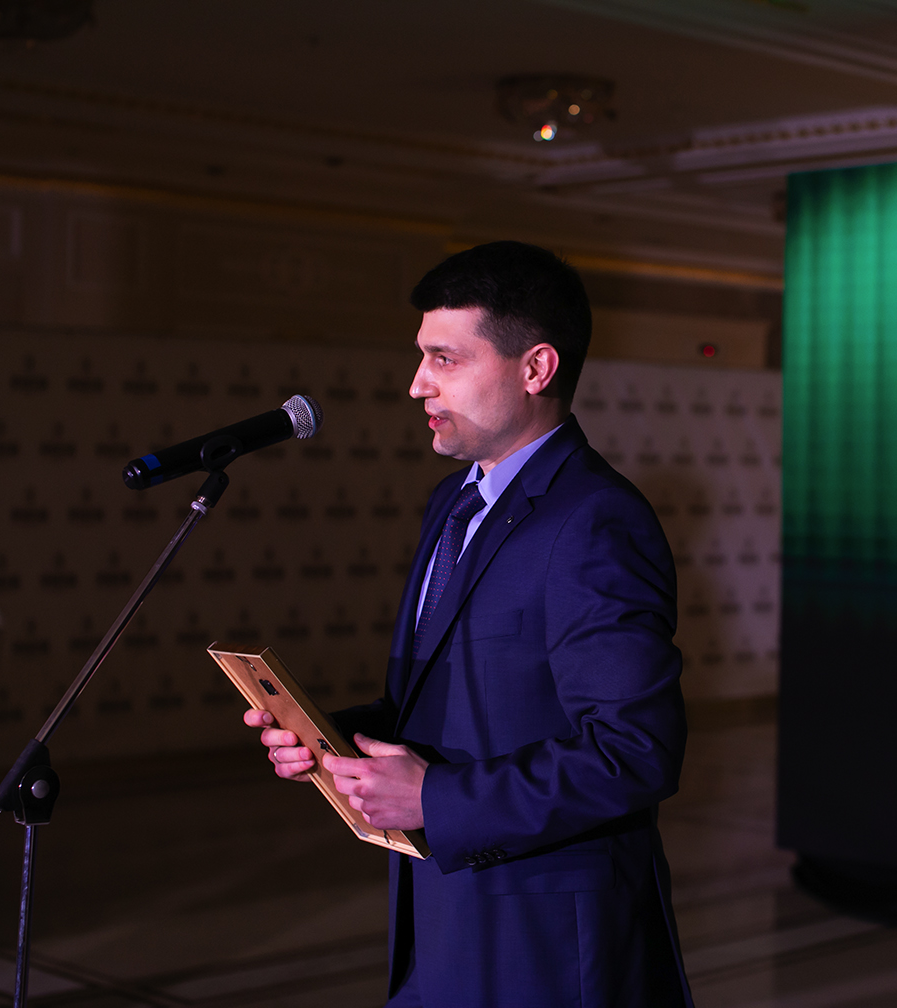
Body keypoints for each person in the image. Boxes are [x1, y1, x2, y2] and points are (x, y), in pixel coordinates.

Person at [244, 241, 693, 1007]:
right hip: (440, 918)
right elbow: (450, 706)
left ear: (536, 368)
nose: (417, 383)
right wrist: (329, 741)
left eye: (444, 359)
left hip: (545, 947)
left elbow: (636, 751)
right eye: (422, 356)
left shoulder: (594, 521)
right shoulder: (453, 502)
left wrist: (435, 800)